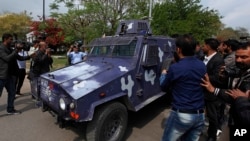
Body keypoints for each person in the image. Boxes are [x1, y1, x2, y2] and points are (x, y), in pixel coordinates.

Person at [160, 34, 206, 141]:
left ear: (178, 49)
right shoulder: (201, 65)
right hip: (199, 115)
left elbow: (164, 87)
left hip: (182, 114)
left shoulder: (175, 68)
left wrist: (163, 74)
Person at [201, 41, 250, 141]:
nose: (239, 60)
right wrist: (225, 79)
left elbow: (234, 95)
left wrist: (214, 90)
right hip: (234, 119)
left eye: (244, 57)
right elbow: (233, 91)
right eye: (237, 57)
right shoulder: (242, 72)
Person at [202, 38, 226, 141]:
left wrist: (203, 76)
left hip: (212, 93)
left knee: (212, 117)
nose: (203, 47)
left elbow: (218, 78)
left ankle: (212, 136)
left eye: (204, 45)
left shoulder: (218, 60)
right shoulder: (204, 57)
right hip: (202, 91)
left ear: (208, 46)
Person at [0, 33, 22, 114]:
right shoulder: (1, 48)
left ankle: (10, 109)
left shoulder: (9, 48)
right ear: (5, 39)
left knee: (12, 92)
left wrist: (30, 56)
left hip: (9, 75)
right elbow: (7, 59)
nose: (12, 41)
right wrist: (15, 50)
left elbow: (18, 57)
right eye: (10, 39)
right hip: (1, 75)